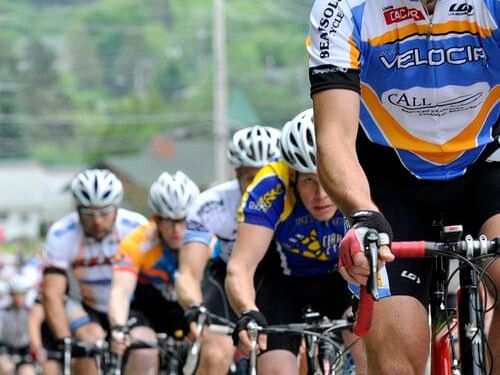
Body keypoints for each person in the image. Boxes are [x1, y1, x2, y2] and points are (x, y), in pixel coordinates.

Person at [307, 1, 499, 374]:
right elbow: (333, 139)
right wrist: (363, 214)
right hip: (390, 186)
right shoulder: (343, 7)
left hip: (486, 168)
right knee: (395, 356)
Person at [225, 109, 366, 375]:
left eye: (327, 178)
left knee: (371, 355)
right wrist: (247, 311)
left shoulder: (358, 179)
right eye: (309, 181)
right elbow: (240, 267)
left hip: (342, 278)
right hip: (284, 283)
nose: (322, 194)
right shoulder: (268, 187)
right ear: (292, 177)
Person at [175, 125, 281, 375]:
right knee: (214, 355)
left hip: (276, 275)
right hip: (226, 275)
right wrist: (193, 306)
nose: (259, 187)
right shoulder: (211, 205)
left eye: (266, 177)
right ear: (236, 173)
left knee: (289, 355)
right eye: (251, 178)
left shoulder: (296, 198)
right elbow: (189, 273)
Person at [42, 169, 148, 375]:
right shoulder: (62, 233)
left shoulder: (136, 226)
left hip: (128, 302)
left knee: (143, 346)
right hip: (83, 303)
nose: (97, 221)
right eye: (89, 214)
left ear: (117, 208)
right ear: (77, 210)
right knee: (90, 341)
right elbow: (52, 294)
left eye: (104, 212)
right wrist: (65, 341)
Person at [108, 171, 200, 374]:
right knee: (144, 352)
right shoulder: (137, 242)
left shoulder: (207, 240)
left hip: (189, 312)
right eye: (169, 221)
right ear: (156, 219)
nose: (177, 230)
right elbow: (120, 292)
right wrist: (118, 328)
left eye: (183, 221)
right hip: (146, 313)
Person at [0, 274, 36, 375]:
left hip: (24, 349)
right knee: (6, 368)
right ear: (11, 295)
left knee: (28, 372)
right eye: (16, 294)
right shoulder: (3, 310)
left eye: (22, 294)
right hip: (5, 347)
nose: (19, 298)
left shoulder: (31, 310)